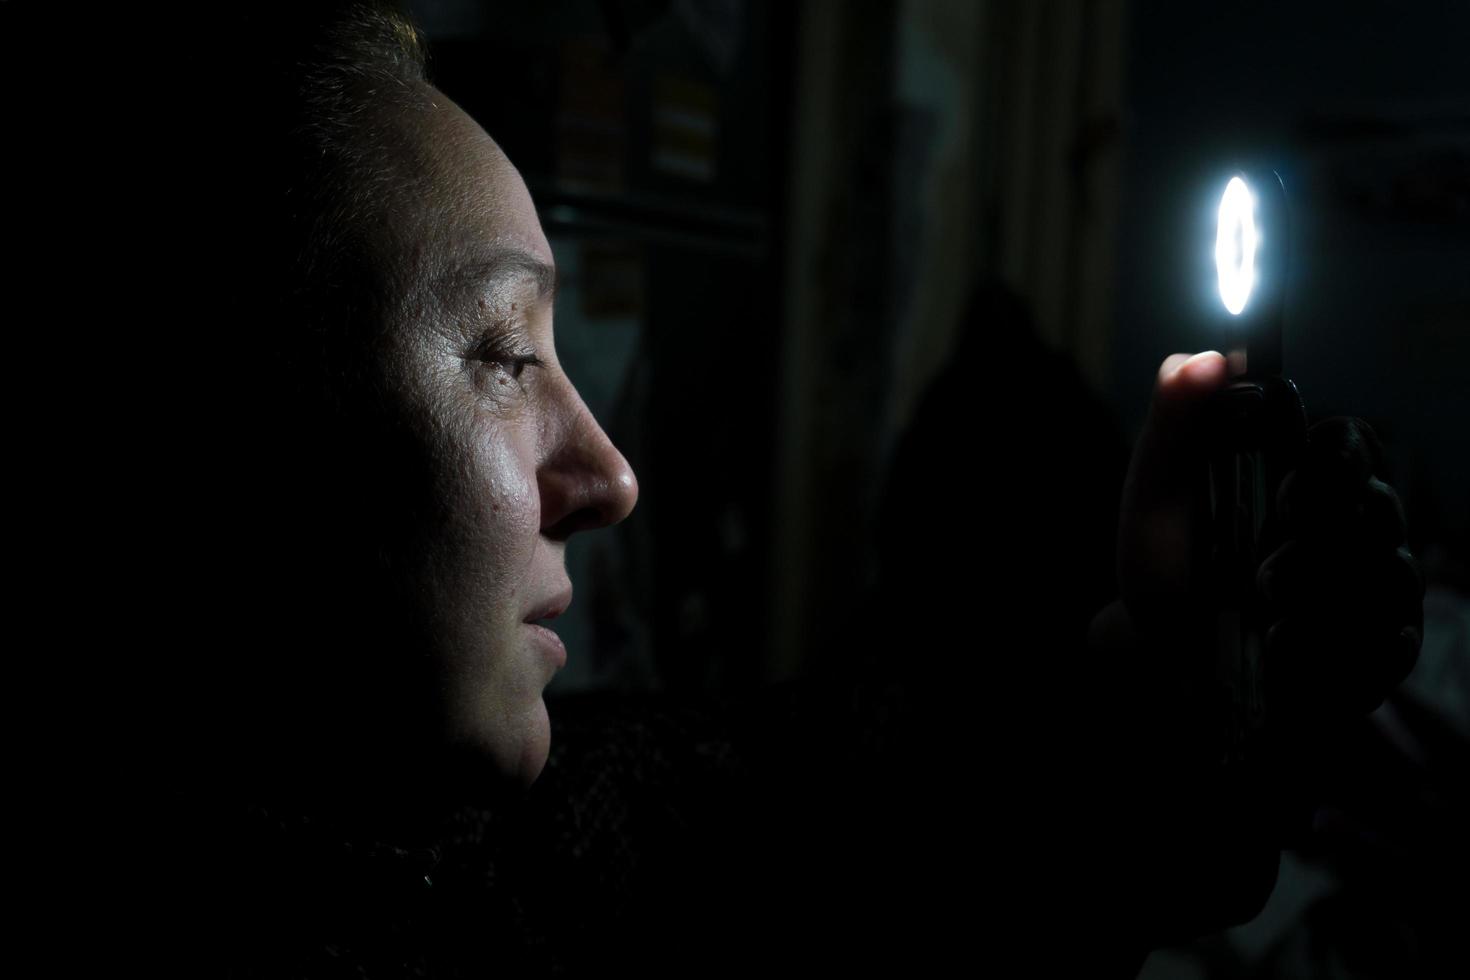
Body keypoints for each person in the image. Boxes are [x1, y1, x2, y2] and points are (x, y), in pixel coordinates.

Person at [116, 3, 1421, 976]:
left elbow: (823, 824)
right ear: (227, 432)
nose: (611, 476)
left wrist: (1160, 682)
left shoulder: (493, 854)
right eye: (508, 356)